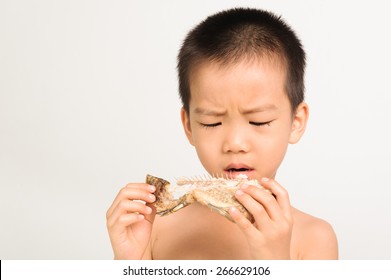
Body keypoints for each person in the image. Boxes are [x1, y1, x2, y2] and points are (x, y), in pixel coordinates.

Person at [106, 7, 338, 260]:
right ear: (189, 126)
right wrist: (129, 262)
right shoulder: (155, 227)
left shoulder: (314, 238)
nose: (234, 143)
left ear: (296, 122)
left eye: (259, 121)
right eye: (212, 123)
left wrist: (275, 262)